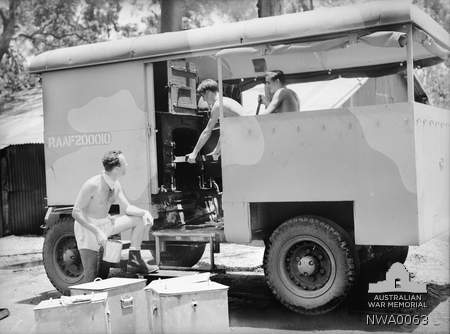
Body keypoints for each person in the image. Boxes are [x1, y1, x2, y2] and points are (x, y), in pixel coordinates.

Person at [72, 150, 155, 280]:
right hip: (88, 230)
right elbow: (75, 212)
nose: (127, 165)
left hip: (105, 224)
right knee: (91, 275)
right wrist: (97, 231)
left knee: (139, 219)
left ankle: (134, 261)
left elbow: (127, 207)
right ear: (116, 169)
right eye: (124, 163)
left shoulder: (116, 184)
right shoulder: (92, 184)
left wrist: (144, 212)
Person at [187, 79, 244, 163]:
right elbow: (226, 130)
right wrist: (217, 150)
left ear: (208, 93)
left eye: (203, 96)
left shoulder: (218, 105)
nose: (204, 100)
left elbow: (207, 131)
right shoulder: (226, 101)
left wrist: (194, 153)